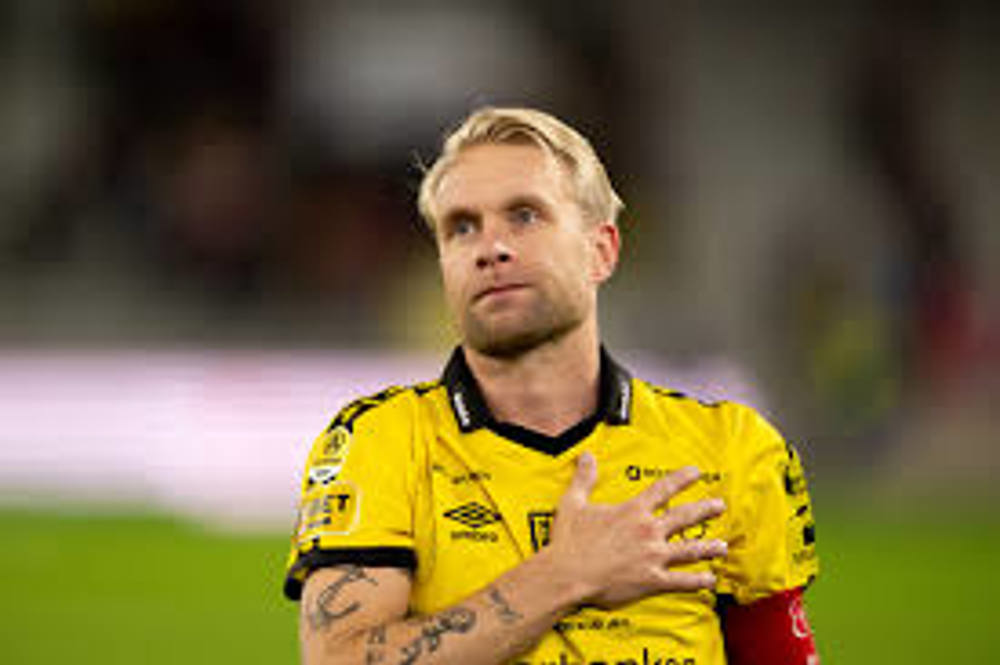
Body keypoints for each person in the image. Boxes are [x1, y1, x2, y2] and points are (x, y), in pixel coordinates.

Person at [283, 107, 820, 665]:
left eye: (524, 216)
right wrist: (567, 574)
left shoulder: (731, 447)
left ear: (602, 251)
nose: (490, 247)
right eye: (462, 227)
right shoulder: (381, 441)